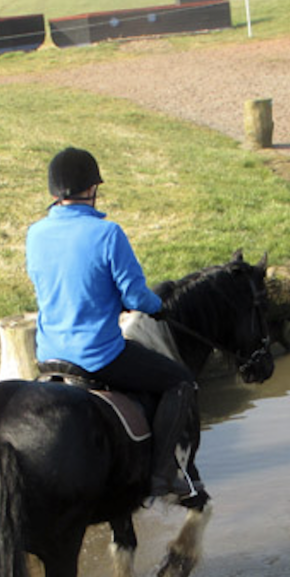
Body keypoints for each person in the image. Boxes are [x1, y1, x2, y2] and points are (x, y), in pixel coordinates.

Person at [25, 147, 202, 502]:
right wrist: (158, 307)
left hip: (47, 355)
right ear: (91, 189)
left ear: (54, 192)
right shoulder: (108, 233)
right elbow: (136, 297)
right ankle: (163, 474)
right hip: (97, 355)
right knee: (180, 381)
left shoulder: (35, 233)